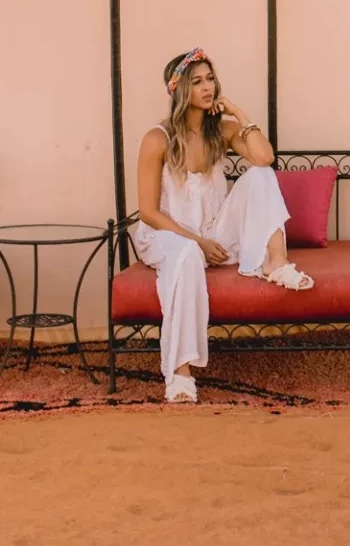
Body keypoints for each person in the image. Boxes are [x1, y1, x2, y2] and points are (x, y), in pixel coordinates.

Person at [132, 47, 313, 403]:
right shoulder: (158, 139)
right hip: (168, 235)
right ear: (179, 90)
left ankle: (276, 263)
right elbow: (148, 213)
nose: (207, 87)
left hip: (212, 231)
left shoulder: (223, 130)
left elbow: (265, 157)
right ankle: (181, 373)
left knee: (261, 175)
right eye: (196, 81)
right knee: (184, 254)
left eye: (210, 78)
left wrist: (238, 112)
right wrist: (197, 242)